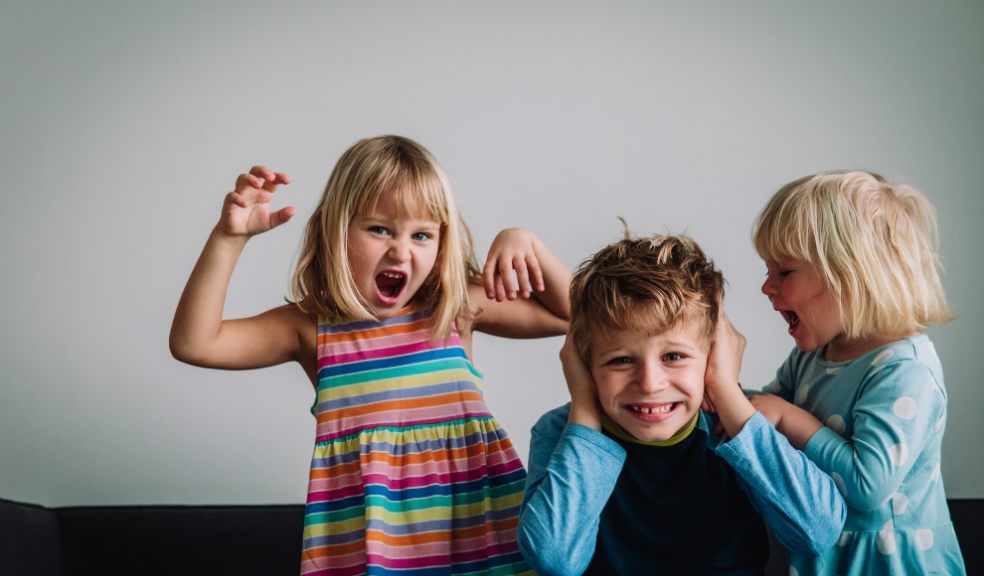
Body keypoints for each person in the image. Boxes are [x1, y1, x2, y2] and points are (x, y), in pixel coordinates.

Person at [169, 135, 571, 575]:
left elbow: (578, 317)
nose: (401, 250)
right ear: (335, 230)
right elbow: (196, 343)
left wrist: (526, 242)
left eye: (421, 235)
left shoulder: (453, 309)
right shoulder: (309, 327)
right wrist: (228, 238)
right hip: (375, 554)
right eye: (379, 229)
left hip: (481, 538)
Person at [517, 233, 846, 576]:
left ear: (713, 353)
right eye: (621, 360)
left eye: (673, 356)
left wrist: (725, 388)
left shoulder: (735, 423)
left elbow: (818, 531)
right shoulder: (563, 431)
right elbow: (554, 559)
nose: (649, 383)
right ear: (584, 365)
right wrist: (583, 408)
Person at [748, 170, 966, 574]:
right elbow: (761, 411)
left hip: (887, 564)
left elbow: (868, 486)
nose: (766, 287)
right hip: (821, 553)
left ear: (848, 277)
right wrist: (709, 382)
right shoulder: (813, 355)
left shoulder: (905, 368)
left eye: (783, 271)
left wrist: (792, 419)